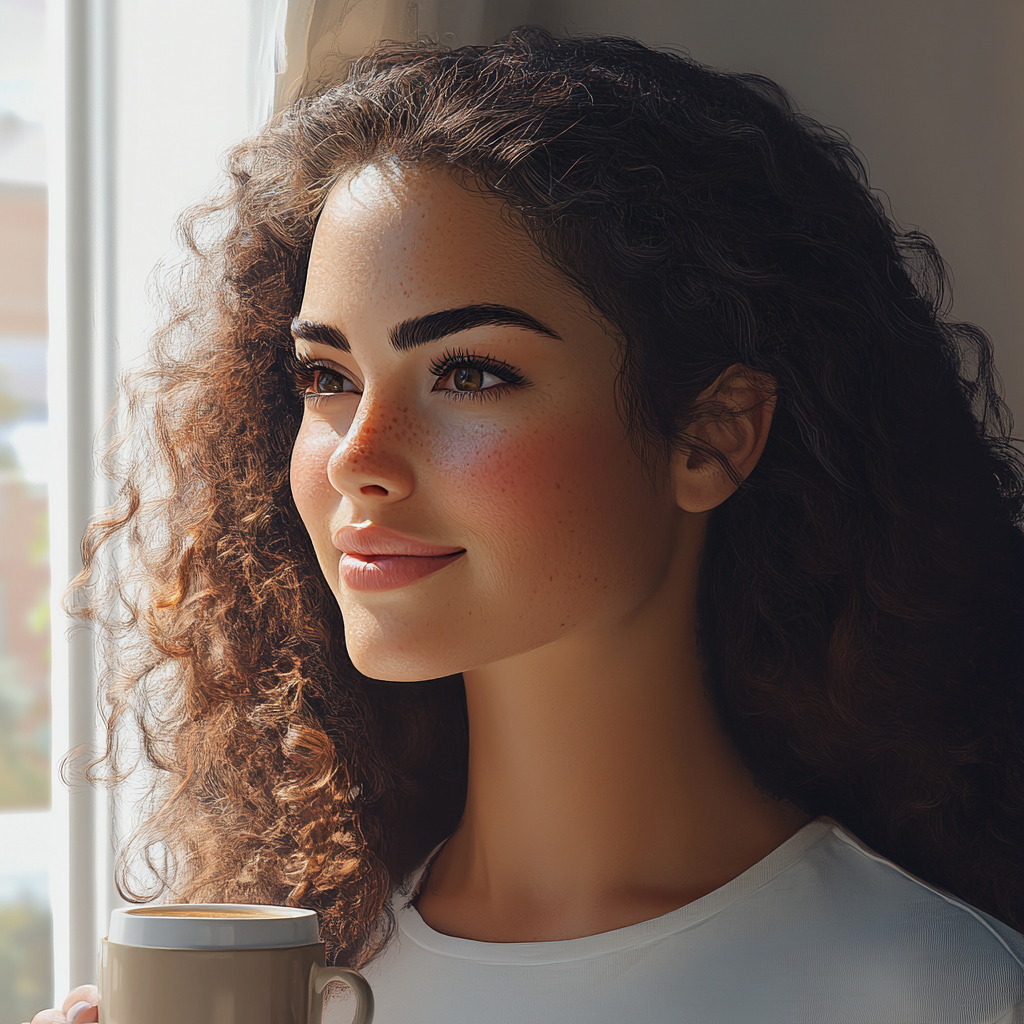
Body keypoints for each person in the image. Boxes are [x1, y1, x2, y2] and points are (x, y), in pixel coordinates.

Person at [34, 27, 1024, 1024]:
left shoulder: (938, 991)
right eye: (325, 377)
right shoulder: (291, 979)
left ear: (711, 436)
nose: (357, 458)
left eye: (470, 374)